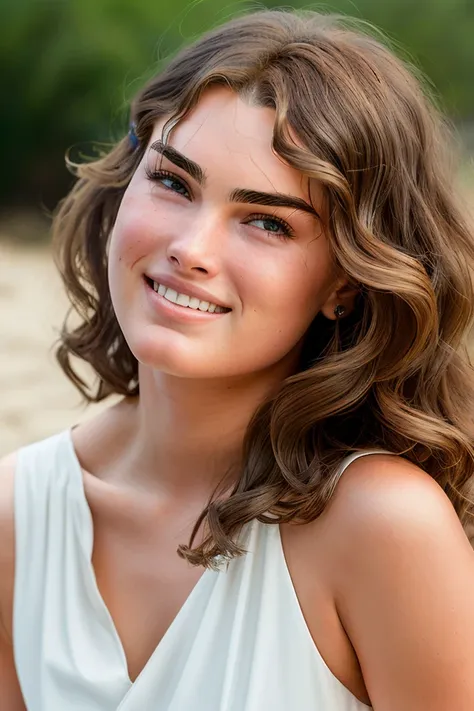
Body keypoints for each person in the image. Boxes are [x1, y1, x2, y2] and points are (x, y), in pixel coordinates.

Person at [2, 8, 474, 710]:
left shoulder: (383, 528)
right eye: (173, 183)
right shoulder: (19, 513)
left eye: (265, 222)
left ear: (344, 282)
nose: (192, 248)